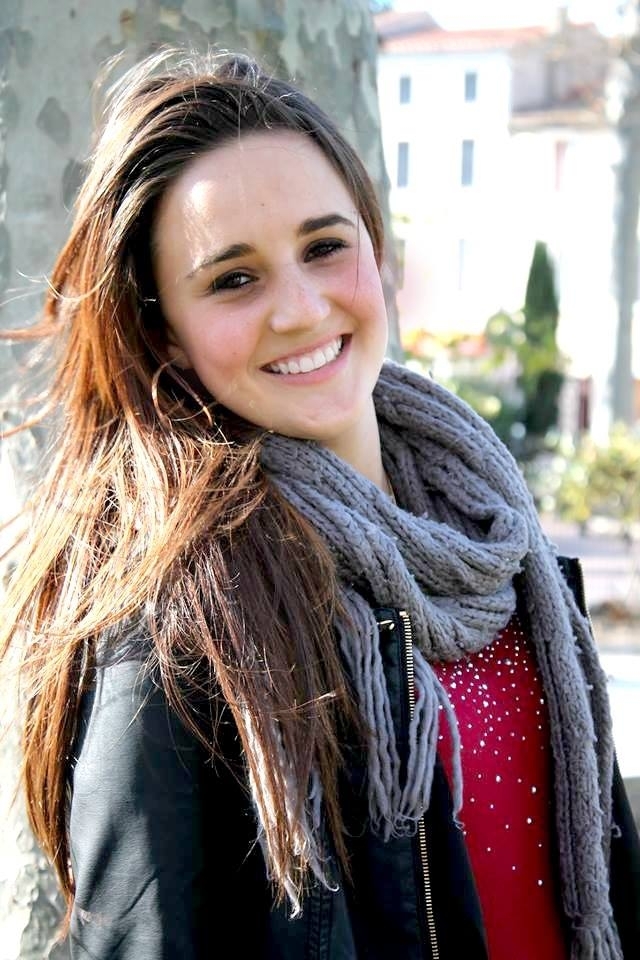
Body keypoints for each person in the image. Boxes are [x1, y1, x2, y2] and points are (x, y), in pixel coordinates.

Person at [1, 47, 638, 960]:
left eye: (324, 247)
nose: (299, 309)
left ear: (378, 252)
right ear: (164, 333)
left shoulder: (493, 532)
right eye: (233, 279)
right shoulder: (179, 630)